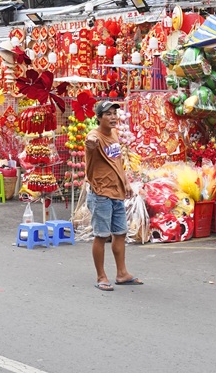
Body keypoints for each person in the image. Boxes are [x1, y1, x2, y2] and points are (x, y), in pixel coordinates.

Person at [86, 100, 140, 291]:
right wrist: (91, 143)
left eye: (114, 114)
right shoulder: (95, 136)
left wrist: (125, 182)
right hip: (101, 194)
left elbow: (118, 161)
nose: (113, 117)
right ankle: (101, 276)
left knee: (120, 233)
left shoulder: (114, 134)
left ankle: (122, 273)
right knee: (101, 236)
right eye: (108, 114)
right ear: (99, 118)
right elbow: (90, 142)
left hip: (117, 192)